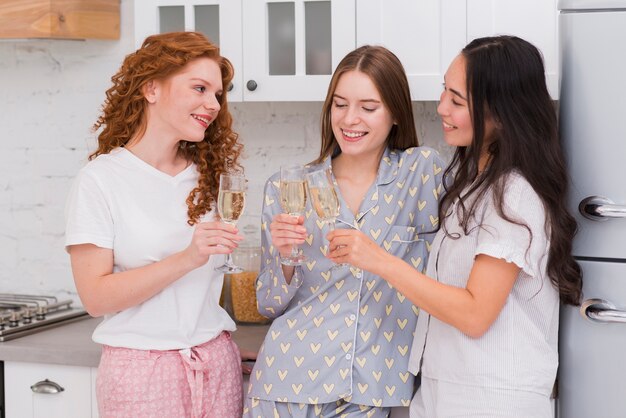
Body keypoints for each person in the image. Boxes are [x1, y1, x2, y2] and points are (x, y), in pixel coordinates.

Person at [327, 35, 584, 417]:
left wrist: (378, 260)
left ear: (500, 111)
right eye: (444, 91)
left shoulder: (513, 195)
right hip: (447, 390)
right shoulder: (474, 186)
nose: (441, 107)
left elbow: (474, 314)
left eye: (457, 100)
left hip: (492, 398)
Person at [244, 45, 445, 417]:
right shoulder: (288, 187)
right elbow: (268, 304)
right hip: (286, 379)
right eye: (340, 105)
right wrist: (285, 258)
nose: (350, 119)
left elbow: (442, 277)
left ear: (396, 113)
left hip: (375, 385)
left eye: (368, 108)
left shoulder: (421, 173)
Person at [65, 31, 250, 418]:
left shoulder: (209, 175)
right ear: (151, 88)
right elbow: (96, 298)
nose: (212, 104)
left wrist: (212, 335)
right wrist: (188, 257)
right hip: (140, 374)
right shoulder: (101, 179)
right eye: (199, 88)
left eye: (218, 93)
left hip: (215, 362)